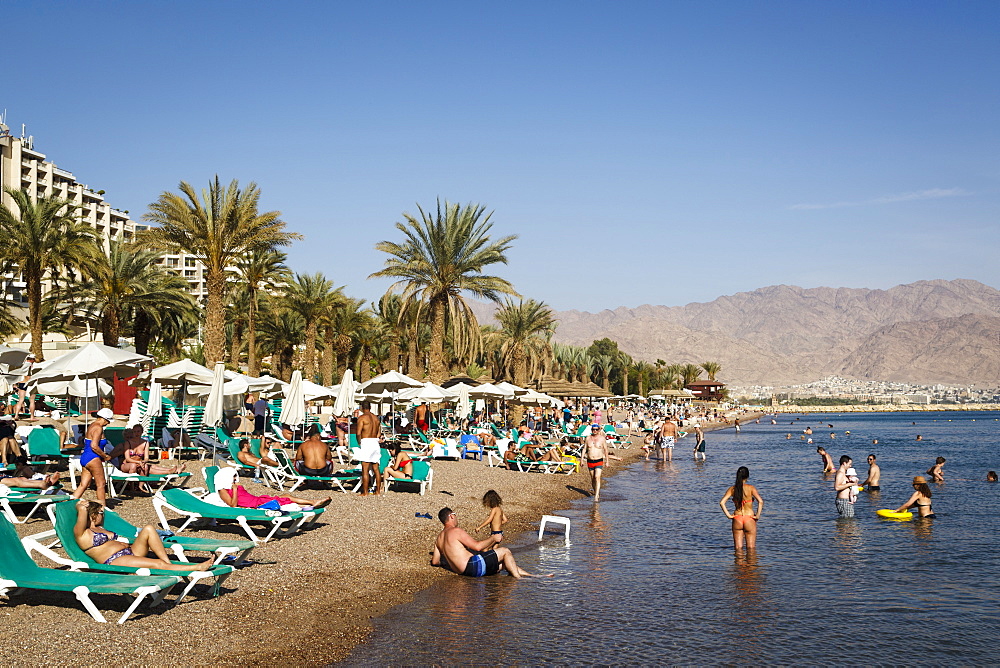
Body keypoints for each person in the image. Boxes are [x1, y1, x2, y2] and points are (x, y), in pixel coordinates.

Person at [73, 499, 211, 571]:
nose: (103, 516)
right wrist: (81, 507)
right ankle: (195, 567)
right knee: (157, 564)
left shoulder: (100, 528)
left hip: (131, 551)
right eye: (101, 513)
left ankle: (167, 563)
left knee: (149, 529)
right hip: (115, 560)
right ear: (92, 515)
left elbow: (99, 504)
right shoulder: (83, 534)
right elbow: (82, 514)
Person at [431, 507, 534, 578]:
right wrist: (494, 538)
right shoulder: (456, 531)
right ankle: (518, 579)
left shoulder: (439, 538)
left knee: (505, 563)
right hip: (472, 566)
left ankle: (532, 576)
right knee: (505, 551)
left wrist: (447, 563)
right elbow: (477, 547)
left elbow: (435, 561)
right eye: (455, 514)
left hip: (464, 572)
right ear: (451, 516)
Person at [214, 467, 331, 509]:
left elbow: (245, 496)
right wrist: (234, 490)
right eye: (233, 476)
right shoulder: (223, 490)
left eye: (235, 476)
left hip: (257, 500)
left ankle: (308, 504)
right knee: (286, 497)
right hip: (255, 505)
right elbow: (233, 505)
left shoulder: (236, 484)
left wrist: (236, 486)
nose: (235, 479)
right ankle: (312, 502)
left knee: (285, 497)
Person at [71, 408, 115, 506]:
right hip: (93, 457)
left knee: (83, 485)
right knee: (101, 484)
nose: (108, 423)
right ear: (104, 419)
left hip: (85, 457)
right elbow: (94, 446)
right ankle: (102, 508)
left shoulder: (92, 425)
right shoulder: (98, 428)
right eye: (108, 421)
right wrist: (105, 456)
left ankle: (69, 504)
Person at [719, 466, 763, 550]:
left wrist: (728, 515)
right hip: (749, 518)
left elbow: (722, 502)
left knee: (738, 549)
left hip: (737, 518)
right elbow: (760, 501)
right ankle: (751, 563)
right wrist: (757, 516)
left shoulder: (732, 489)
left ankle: (737, 562)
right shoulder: (751, 488)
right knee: (751, 549)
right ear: (747, 476)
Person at [120, 425, 186, 477]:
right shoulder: (125, 444)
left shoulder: (144, 443)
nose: (136, 434)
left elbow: (146, 457)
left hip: (139, 463)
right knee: (150, 468)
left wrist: (143, 461)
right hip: (129, 465)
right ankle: (170, 471)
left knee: (153, 466)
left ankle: (175, 470)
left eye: (138, 431)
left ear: (142, 432)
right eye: (134, 432)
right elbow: (125, 458)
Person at [582, 424, 621, 501]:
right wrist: (581, 459)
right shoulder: (588, 438)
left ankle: (596, 496)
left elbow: (606, 450)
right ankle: (595, 491)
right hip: (590, 460)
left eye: (596, 429)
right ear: (591, 430)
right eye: (593, 429)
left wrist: (607, 461)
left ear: (599, 430)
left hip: (599, 460)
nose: (595, 431)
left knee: (597, 477)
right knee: (593, 478)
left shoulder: (602, 439)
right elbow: (584, 449)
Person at [356, 401, 382, 496]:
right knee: (376, 468)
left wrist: (359, 442)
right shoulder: (376, 418)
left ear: (362, 407)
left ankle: (365, 492)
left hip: (366, 442)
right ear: (370, 407)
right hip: (375, 442)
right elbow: (379, 434)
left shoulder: (362, 418)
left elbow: (358, 433)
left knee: (365, 468)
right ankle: (378, 491)